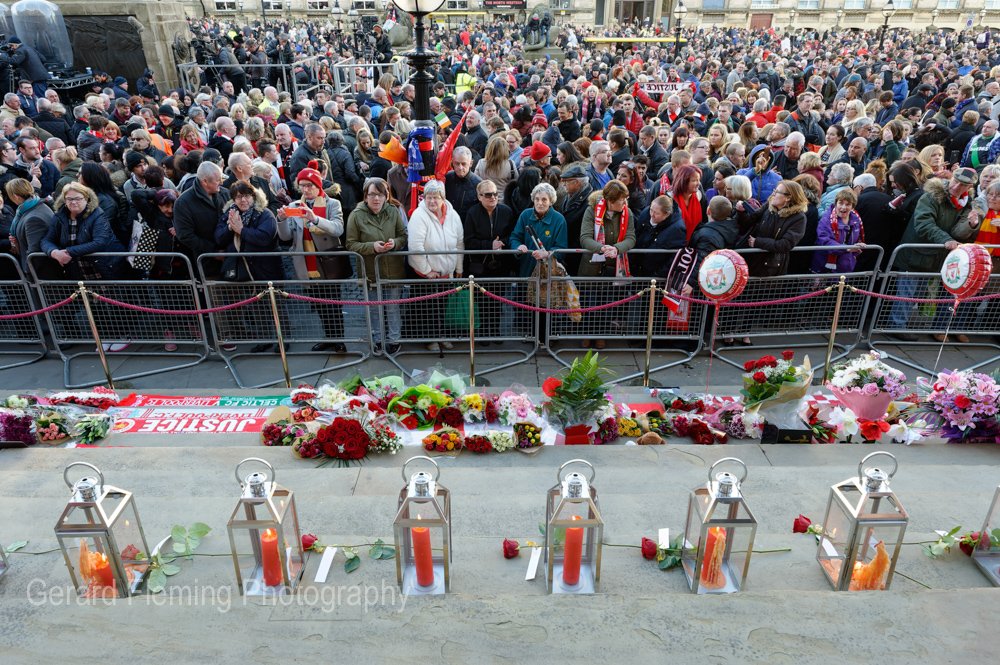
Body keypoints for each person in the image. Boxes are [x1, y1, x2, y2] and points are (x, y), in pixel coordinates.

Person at [889, 168, 981, 341]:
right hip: (916, 253)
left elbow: (960, 233)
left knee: (917, 294)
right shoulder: (931, 196)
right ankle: (896, 325)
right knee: (906, 293)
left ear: (969, 187)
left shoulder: (967, 204)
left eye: (963, 185)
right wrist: (946, 239)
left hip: (936, 257)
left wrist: (971, 225)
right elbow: (923, 224)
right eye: (956, 181)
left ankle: (901, 323)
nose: (957, 186)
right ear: (951, 178)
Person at [276, 165, 348, 354]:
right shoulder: (294, 206)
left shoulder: (332, 204)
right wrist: (281, 220)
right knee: (318, 305)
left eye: (310, 185)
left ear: (318, 185)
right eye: (302, 185)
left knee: (333, 304)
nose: (306, 189)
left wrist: (315, 218)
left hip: (328, 263)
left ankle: (339, 340)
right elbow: (285, 237)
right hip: (307, 264)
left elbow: (338, 229)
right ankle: (328, 337)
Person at [346, 177, 406, 354]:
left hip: (393, 269)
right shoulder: (356, 215)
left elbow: (403, 236)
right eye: (372, 194)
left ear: (386, 196)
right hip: (370, 271)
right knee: (374, 308)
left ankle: (394, 339)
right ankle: (378, 338)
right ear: (365, 196)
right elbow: (350, 244)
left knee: (392, 307)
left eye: (380, 194)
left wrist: (394, 243)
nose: (376, 198)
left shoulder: (393, 211)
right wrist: (372, 247)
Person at [578, 180, 636, 349]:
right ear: (610, 201)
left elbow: (631, 237)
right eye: (621, 200)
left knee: (606, 303)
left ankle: (601, 335)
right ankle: (586, 334)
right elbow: (585, 238)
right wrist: (602, 248)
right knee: (589, 302)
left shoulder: (627, 213)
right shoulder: (591, 210)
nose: (624, 203)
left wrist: (617, 248)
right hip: (591, 266)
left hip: (612, 266)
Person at [464, 179, 516, 341]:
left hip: (501, 265)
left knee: (498, 300)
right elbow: (469, 241)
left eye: (495, 194)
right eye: (488, 195)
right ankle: (485, 333)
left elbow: (512, 235)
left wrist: (502, 243)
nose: (493, 197)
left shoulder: (506, 211)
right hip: (481, 266)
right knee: (482, 301)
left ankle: (496, 332)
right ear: (479, 196)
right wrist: (489, 245)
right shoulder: (472, 213)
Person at [40, 182, 124, 281]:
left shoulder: (97, 214)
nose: (73, 202)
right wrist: (55, 252)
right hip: (76, 270)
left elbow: (100, 242)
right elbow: (46, 240)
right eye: (69, 199)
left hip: (102, 267)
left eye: (78, 198)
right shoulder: (59, 216)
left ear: (86, 199)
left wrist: (68, 252)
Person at [810, 187, 866, 274]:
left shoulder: (856, 219)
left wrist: (859, 245)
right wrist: (847, 249)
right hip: (824, 267)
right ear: (836, 203)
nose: (843, 207)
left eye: (848, 204)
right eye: (841, 203)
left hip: (845, 267)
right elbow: (824, 241)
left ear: (852, 207)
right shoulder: (826, 219)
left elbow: (857, 238)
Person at [5, 177, 53, 276]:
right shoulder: (36, 206)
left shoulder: (33, 218)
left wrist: (28, 271)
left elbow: (35, 251)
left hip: (40, 274)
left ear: (15, 196)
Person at [633, 195, 685, 278]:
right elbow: (637, 235)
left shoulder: (677, 229)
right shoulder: (646, 213)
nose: (652, 215)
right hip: (638, 270)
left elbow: (673, 257)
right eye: (651, 210)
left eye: (657, 213)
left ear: (667, 214)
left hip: (655, 275)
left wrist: (658, 274)